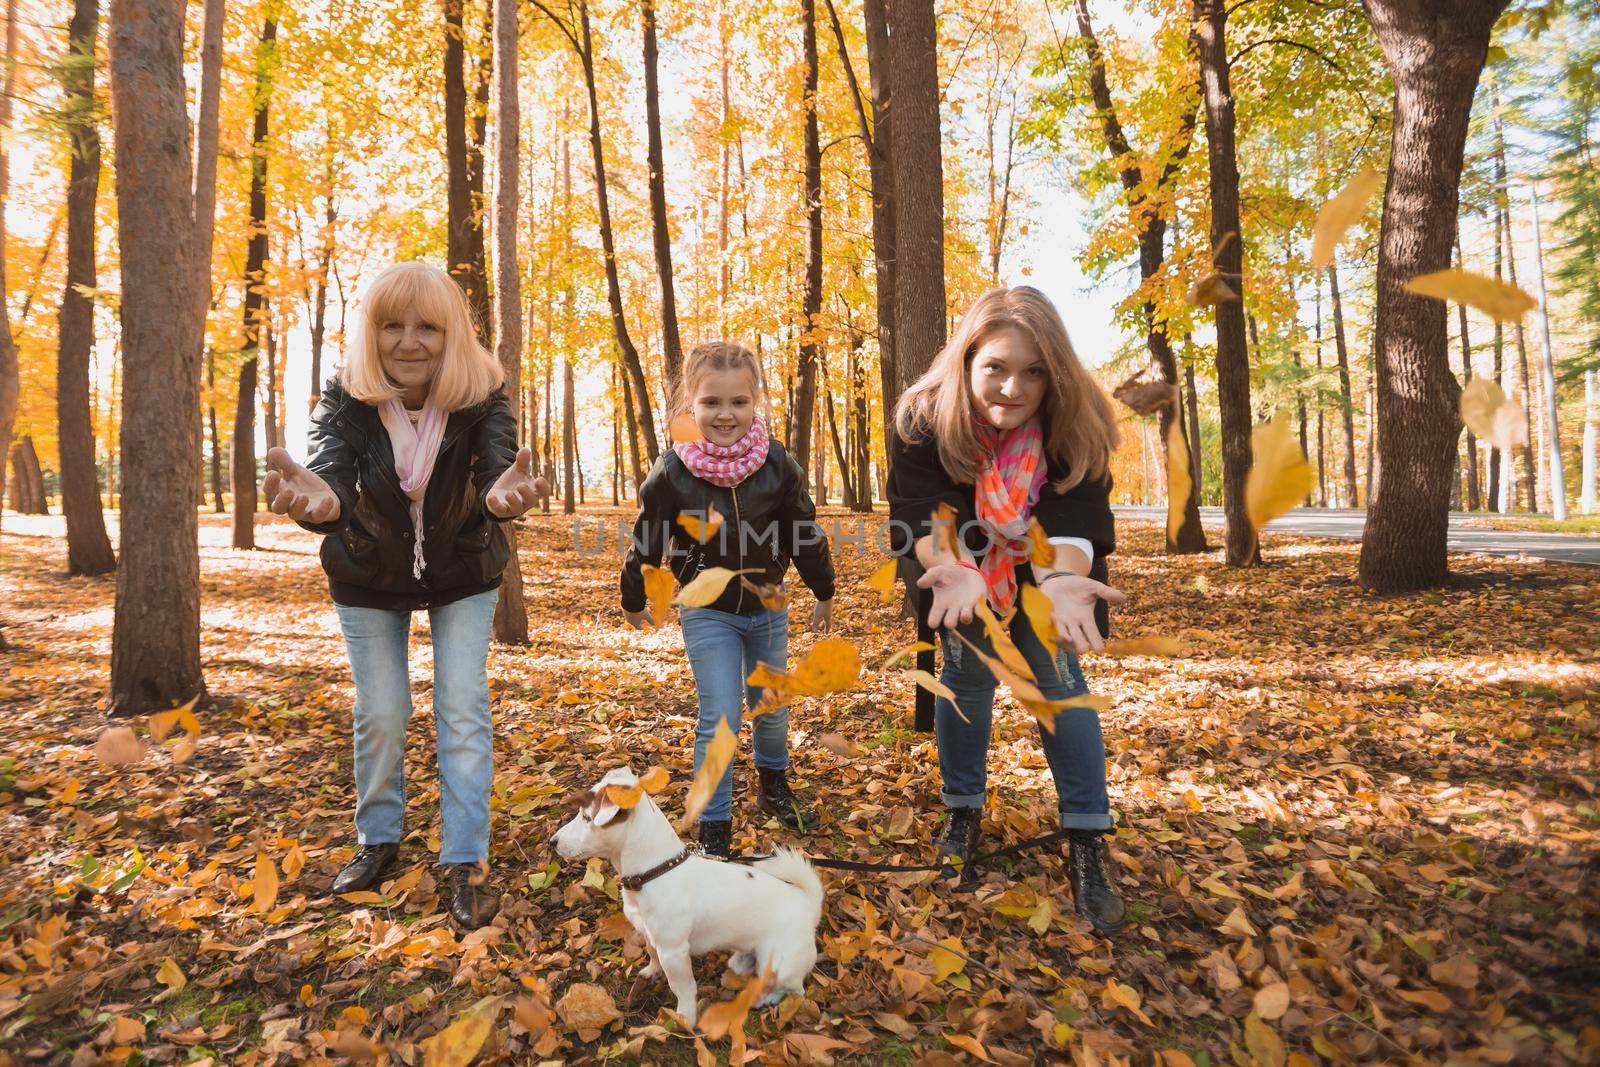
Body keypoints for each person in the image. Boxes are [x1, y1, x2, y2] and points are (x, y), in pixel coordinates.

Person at [260, 262, 542, 928]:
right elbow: (328, 476)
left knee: (462, 705)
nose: (409, 341)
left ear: (453, 336)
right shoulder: (344, 399)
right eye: (392, 325)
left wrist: (501, 498)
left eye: (428, 328)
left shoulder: (481, 395)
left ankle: (466, 858)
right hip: (367, 571)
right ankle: (378, 839)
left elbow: (498, 465)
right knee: (383, 710)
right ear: (371, 333)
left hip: (463, 568)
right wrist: (322, 504)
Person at [886, 285, 1128, 936]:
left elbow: (1075, 515)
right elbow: (920, 511)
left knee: (1059, 685)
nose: (1013, 387)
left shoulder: (1076, 421)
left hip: (1046, 570)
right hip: (961, 569)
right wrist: (958, 570)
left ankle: (1086, 838)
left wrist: (1060, 584)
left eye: (1033, 371)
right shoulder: (922, 418)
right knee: (963, 685)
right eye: (997, 366)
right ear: (967, 360)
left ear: (1055, 372)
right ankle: (962, 811)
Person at [619, 341, 836, 858]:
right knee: (719, 716)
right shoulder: (673, 469)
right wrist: (633, 596)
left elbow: (802, 529)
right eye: (712, 403)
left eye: (738, 402)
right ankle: (715, 827)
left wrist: (822, 588)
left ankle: (773, 783)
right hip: (707, 611)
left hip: (766, 607)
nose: (725, 414)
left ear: (755, 401)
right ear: (690, 405)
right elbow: (647, 538)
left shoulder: (775, 461)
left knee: (771, 707)